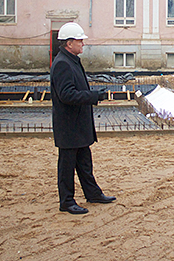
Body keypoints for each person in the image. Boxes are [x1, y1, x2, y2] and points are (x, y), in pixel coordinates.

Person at [51, 22, 116, 215]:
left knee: (84, 162)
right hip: (69, 125)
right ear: (69, 43)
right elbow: (66, 95)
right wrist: (94, 96)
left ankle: (93, 193)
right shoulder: (63, 63)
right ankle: (66, 201)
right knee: (67, 165)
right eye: (80, 40)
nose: (83, 44)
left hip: (77, 124)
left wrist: (92, 95)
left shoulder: (71, 60)